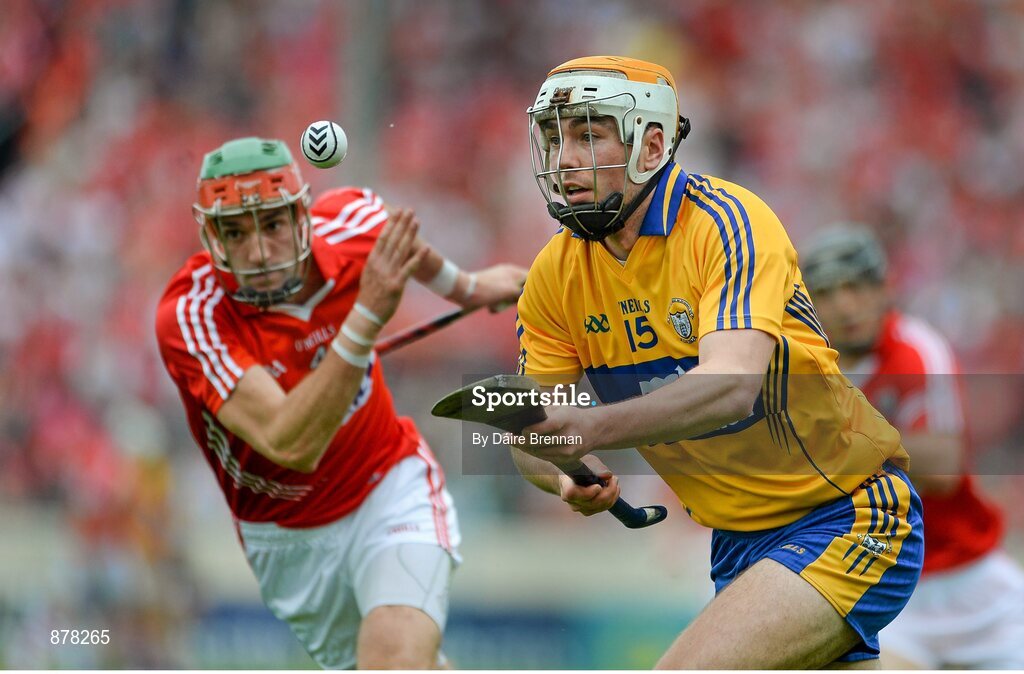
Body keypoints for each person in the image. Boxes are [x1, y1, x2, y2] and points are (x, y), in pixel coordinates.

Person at [510, 56, 924, 669]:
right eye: (553, 137)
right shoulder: (553, 276)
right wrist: (563, 471)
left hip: (847, 513)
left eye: (588, 135)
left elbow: (729, 387)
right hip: (736, 546)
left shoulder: (728, 223)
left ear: (652, 146)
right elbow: (532, 424)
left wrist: (591, 428)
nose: (564, 156)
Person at [155, 136, 526, 669]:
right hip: (288, 539)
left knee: (395, 662)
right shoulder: (191, 316)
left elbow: (399, 242)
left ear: (302, 217)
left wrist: (468, 287)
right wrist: (365, 317)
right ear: (211, 235)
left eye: (274, 225)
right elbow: (290, 441)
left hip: (388, 487)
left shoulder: (352, 222)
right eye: (235, 232)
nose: (258, 252)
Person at [801, 223, 1024, 670]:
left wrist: (837, 442)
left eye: (857, 286)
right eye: (826, 292)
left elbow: (943, 467)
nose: (845, 305)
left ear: (885, 288)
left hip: (972, 580)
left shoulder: (917, 349)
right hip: (885, 586)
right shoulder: (802, 372)